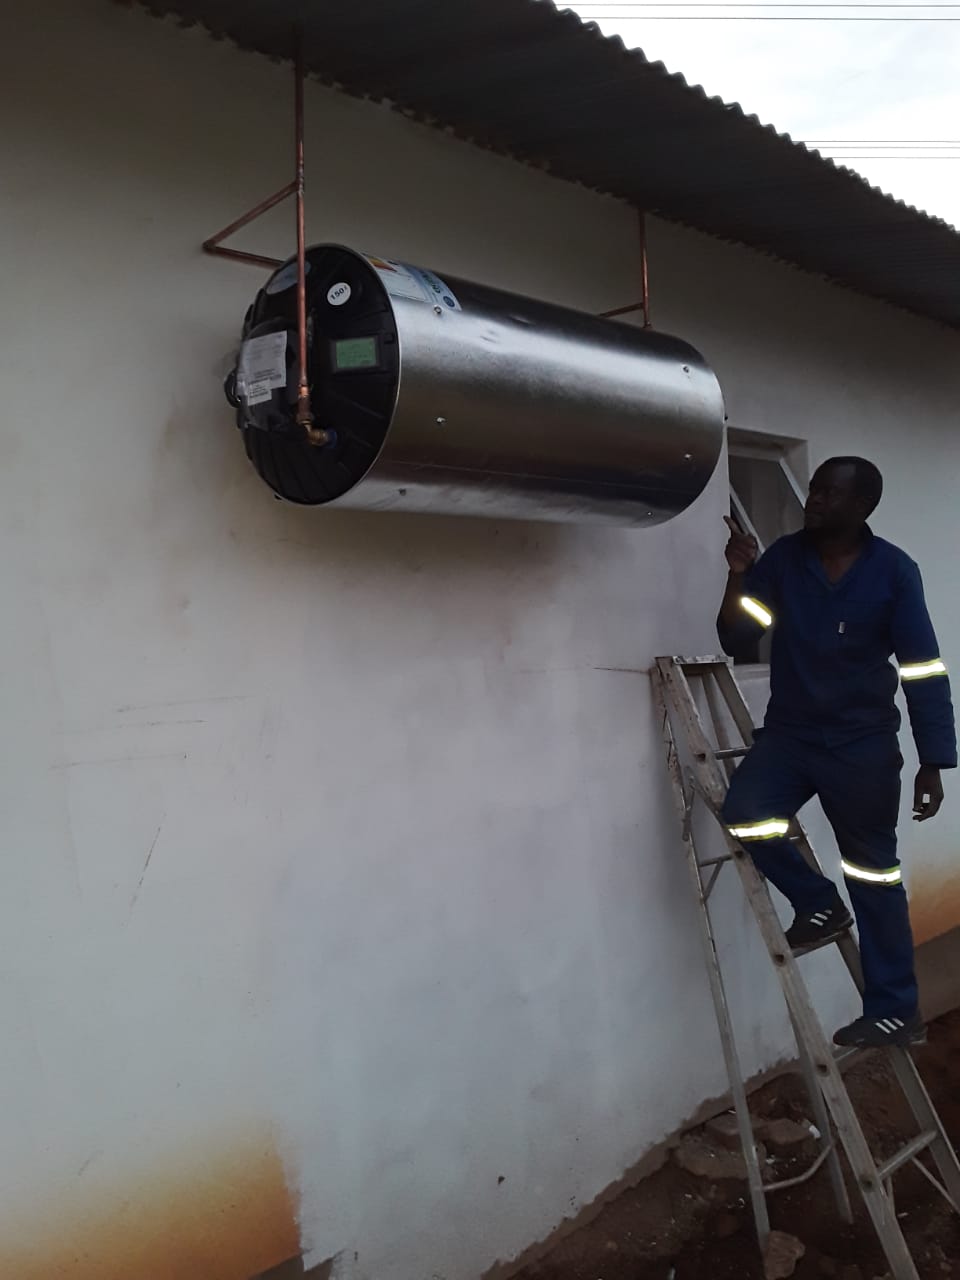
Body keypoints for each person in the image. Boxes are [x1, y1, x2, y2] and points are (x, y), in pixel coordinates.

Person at [718, 456, 955, 1048]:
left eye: (830, 493)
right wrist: (739, 576)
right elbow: (738, 637)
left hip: (862, 746)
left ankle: (897, 1010)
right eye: (815, 489)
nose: (815, 500)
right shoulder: (784, 561)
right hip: (792, 735)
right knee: (747, 814)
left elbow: (923, 670)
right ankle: (819, 903)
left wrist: (935, 759)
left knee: (874, 874)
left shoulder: (895, 572)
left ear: (862, 507)